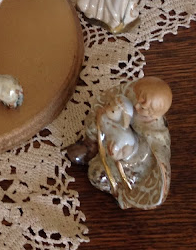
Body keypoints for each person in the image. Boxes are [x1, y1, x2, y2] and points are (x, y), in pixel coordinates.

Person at [67, 76, 172, 209]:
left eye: (143, 107)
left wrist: (124, 155)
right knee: (97, 120)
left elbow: (155, 158)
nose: (136, 105)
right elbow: (117, 96)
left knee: (97, 175)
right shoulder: (134, 97)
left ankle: (118, 190)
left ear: (155, 114)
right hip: (111, 131)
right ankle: (90, 146)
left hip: (128, 158)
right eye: (138, 98)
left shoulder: (155, 134)